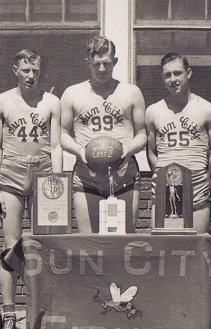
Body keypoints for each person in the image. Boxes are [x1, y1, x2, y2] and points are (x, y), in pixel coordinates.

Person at [0, 49, 62, 329]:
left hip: (44, 175)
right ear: (15, 70)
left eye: (35, 70)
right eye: (25, 70)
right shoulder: (2, 102)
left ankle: (40, 316)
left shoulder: (51, 102)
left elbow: (55, 146)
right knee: (11, 247)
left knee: (43, 246)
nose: (30, 75)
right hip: (11, 175)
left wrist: (58, 184)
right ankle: (9, 316)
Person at [60, 36, 147, 233]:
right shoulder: (72, 93)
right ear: (88, 61)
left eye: (106, 63)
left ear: (115, 61)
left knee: (124, 244)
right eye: (96, 63)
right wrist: (78, 150)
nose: (101, 69)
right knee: (89, 243)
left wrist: (129, 148)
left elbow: (142, 134)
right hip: (86, 175)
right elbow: (63, 134)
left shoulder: (131, 92)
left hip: (123, 172)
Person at [146, 52, 211, 233]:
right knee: (162, 249)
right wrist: (163, 174)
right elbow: (151, 152)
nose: (172, 79)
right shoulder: (153, 111)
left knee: (194, 247)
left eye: (177, 73)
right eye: (167, 75)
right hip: (164, 187)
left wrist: (204, 177)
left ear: (188, 73)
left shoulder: (208, 109)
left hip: (197, 188)